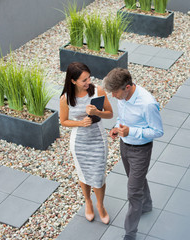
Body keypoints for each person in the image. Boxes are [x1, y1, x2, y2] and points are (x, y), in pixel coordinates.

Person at [103, 68, 164, 240]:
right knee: (136, 178)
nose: (113, 96)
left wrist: (132, 131)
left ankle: (130, 234)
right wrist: (118, 127)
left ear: (127, 87)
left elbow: (158, 131)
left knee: (133, 192)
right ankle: (146, 205)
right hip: (125, 145)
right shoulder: (122, 96)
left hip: (140, 150)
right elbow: (122, 117)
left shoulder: (147, 103)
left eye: (115, 92)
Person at [59, 62, 113, 224]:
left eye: (88, 77)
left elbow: (110, 114)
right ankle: (88, 202)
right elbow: (64, 121)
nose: (88, 81)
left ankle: (100, 205)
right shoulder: (66, 99)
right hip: (79, 143)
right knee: (83, 174)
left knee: (98, 176)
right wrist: (80, 123)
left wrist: (97, 112)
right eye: (84, 80)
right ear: (73, 81)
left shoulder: (97, 91)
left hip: (98, 140)